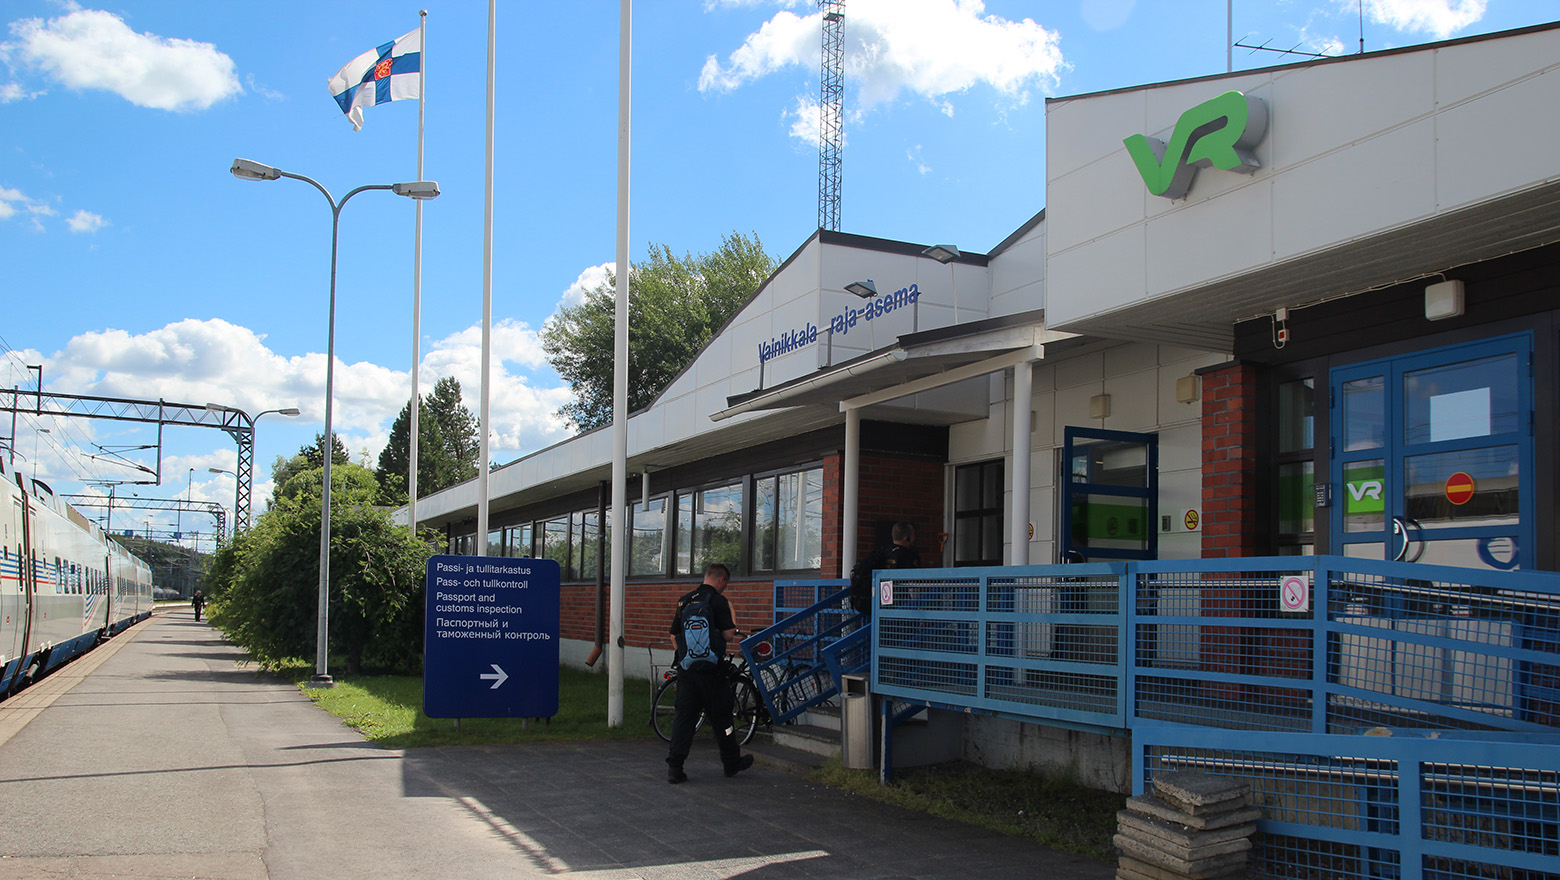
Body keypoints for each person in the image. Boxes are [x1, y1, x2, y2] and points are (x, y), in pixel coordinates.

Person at [665, 562, 754, 784]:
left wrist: (686, 659)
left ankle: (675, 768)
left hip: (687, 672)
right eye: (726, 583)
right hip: (713, 672)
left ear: (706, 577)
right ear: (722, 580)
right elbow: (728, 635)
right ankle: (731, 763)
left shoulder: (685, 600)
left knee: (684, 718)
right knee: (722, 718)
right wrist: (731, 612)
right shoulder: (718, 600)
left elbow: (673, 636)